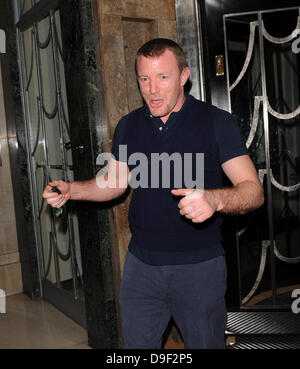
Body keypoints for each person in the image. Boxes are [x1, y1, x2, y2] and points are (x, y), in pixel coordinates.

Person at [43, 38, 264, 349]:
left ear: (184, 76)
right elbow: (114, 183)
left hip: (199, 269)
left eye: (163, 77)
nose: (152, 89)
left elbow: (253, 192)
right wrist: (71, 189)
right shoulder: (128, 126)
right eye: (144, 79)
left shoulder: (217, 123)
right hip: (141, 268)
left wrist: (214, 199)